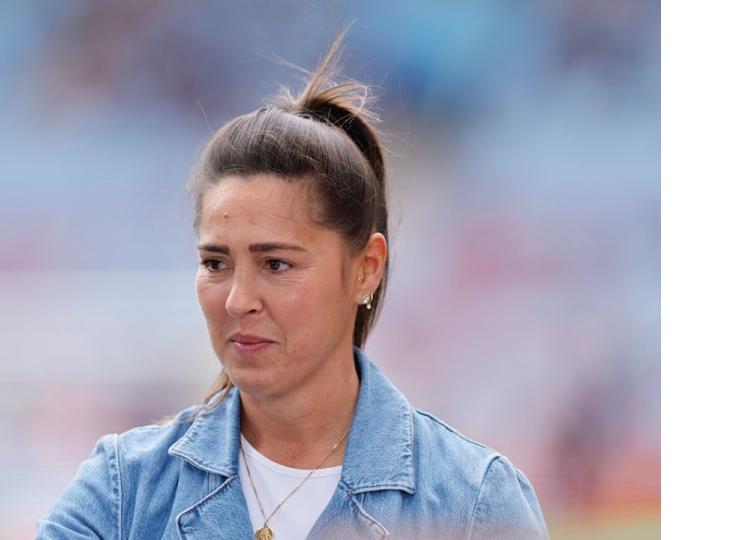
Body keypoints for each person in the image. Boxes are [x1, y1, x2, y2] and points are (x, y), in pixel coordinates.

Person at [37, 30, 548, 540]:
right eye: (216, 263)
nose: (238, 300)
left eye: (277, 264)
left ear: (366, 267)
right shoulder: (122, 491)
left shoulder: (473, 501)